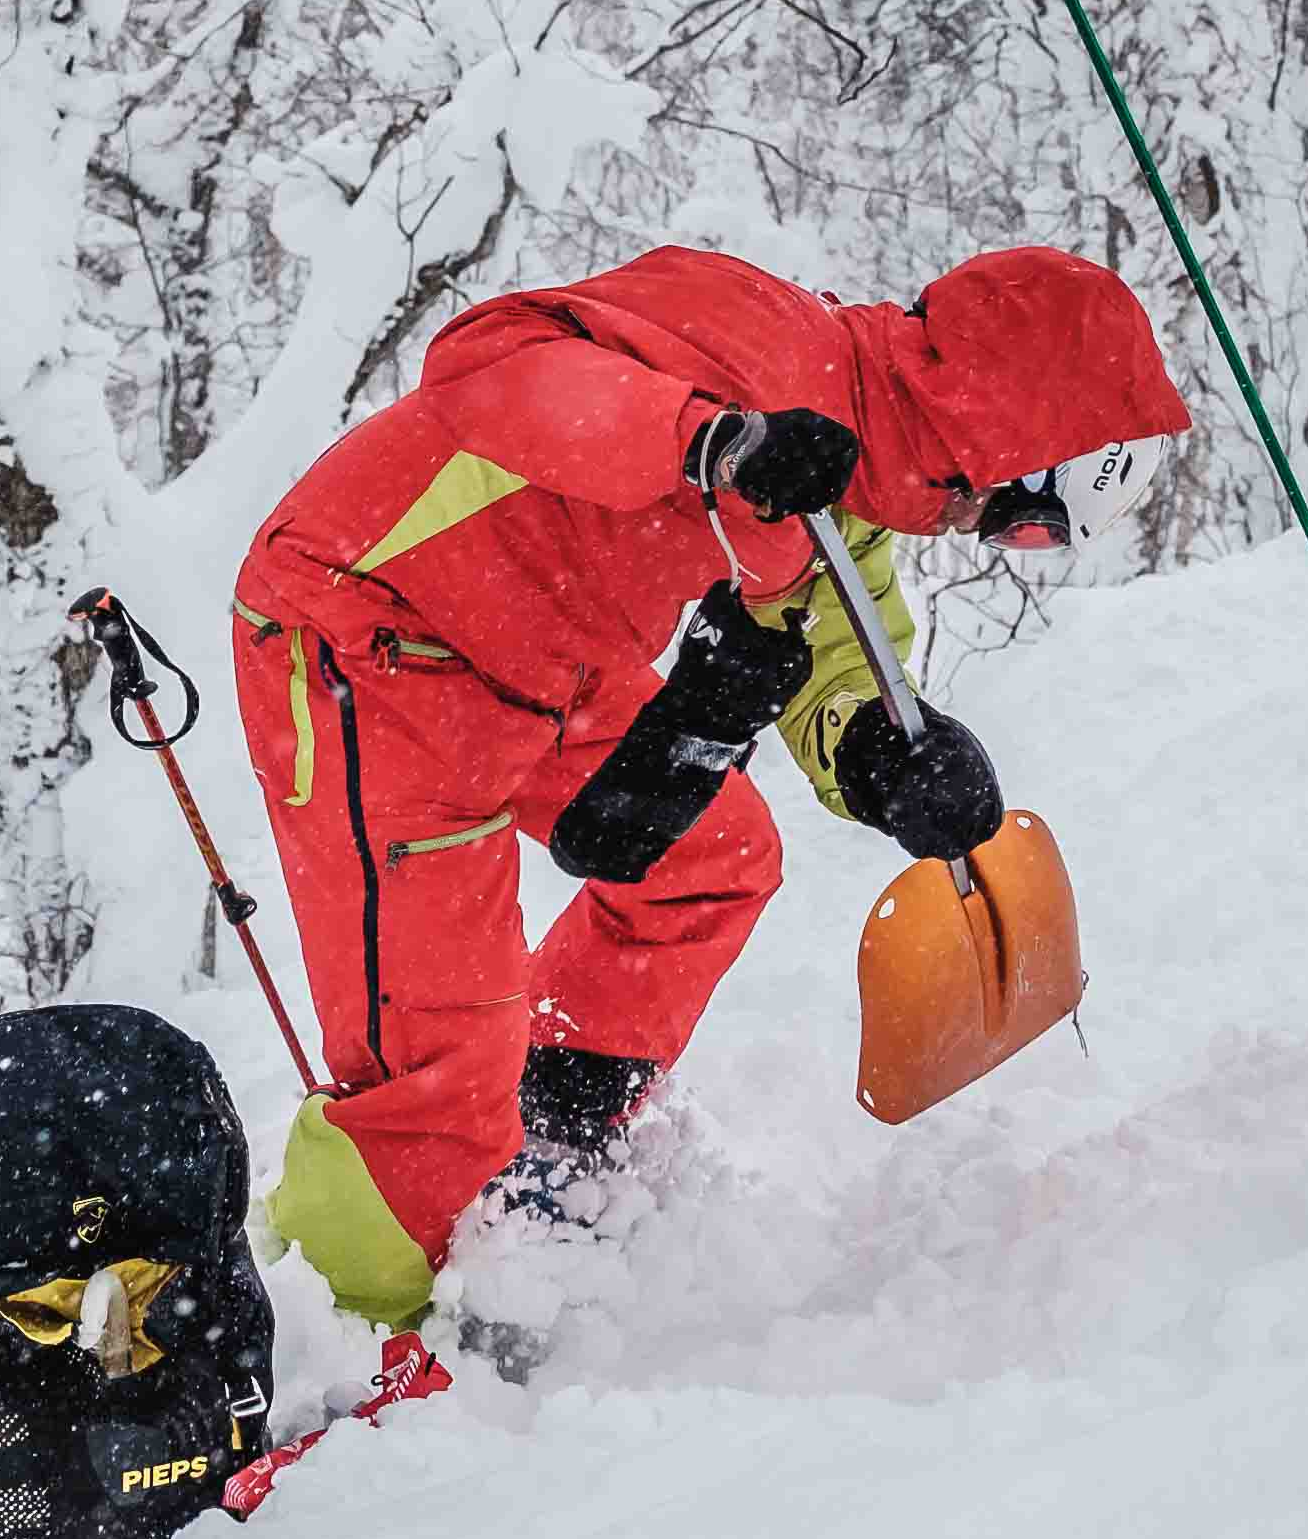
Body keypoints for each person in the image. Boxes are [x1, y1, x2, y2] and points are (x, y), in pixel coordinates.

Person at [226, 245, 1191, 1328]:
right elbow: (489, 367)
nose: (1006, 538)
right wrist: (707, 443)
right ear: (1007, 436)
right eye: (1030, 516)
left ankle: (551, 1128)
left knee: (713, 858)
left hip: (542, 660)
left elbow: (830, 646)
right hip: (376, 638)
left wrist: (879, 752)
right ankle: (336, 1336)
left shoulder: (847, 473)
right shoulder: (755, 344)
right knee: (432, 1078)